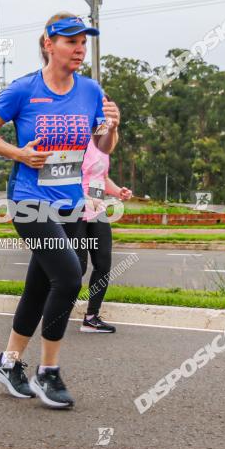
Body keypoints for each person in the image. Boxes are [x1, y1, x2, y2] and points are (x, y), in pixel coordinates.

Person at [0, 13, 120, 409]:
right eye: (71, 41)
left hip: (70, 201)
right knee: (71, 278)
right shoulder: (24, 90)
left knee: (41, 285)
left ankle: (8, 362)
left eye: (84, 43)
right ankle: (48, 372)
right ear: (48, 44)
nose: (79, 49)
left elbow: (101, 149)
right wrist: (18, 153)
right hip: (29, 200)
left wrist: (112, 128)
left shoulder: (90, 90)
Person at [78, 135, 132, 333]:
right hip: (75, 210)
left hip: (97, 211)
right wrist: (85, 198)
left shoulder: (103, 146)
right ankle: (51, 307)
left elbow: (102, 179)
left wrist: (119, 192)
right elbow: (67, 179)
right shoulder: (79, 140)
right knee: (78, 268)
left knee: (103, 264)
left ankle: (91, 317)